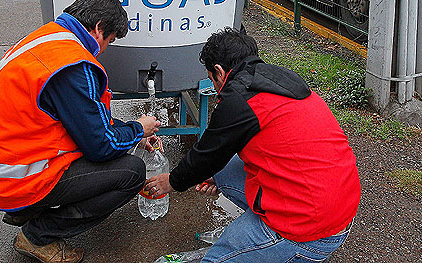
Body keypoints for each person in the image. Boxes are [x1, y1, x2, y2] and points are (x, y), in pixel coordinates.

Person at [0, 0, 161, 263]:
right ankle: (37, 235)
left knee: (105, 150)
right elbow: (101, 147)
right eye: (109, 41)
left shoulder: (48, 40)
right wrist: (138, 129)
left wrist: (131, 133)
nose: (104, 49)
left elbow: (84, 120)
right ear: (98, 28)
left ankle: (28, 209)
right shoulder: (72, 65)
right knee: (131, 172)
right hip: (12, 178)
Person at [145, 27, 361, 262]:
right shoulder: (277, 79)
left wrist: (172, 181)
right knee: (222, 170)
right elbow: (212, 160)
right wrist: (210, 174)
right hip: (339, 210)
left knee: (212, 260)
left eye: (211, 80)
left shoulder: (238, 99)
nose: (215, 88)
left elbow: (206, 155)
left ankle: (272, 248)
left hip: (306, 232)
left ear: (219, 71)